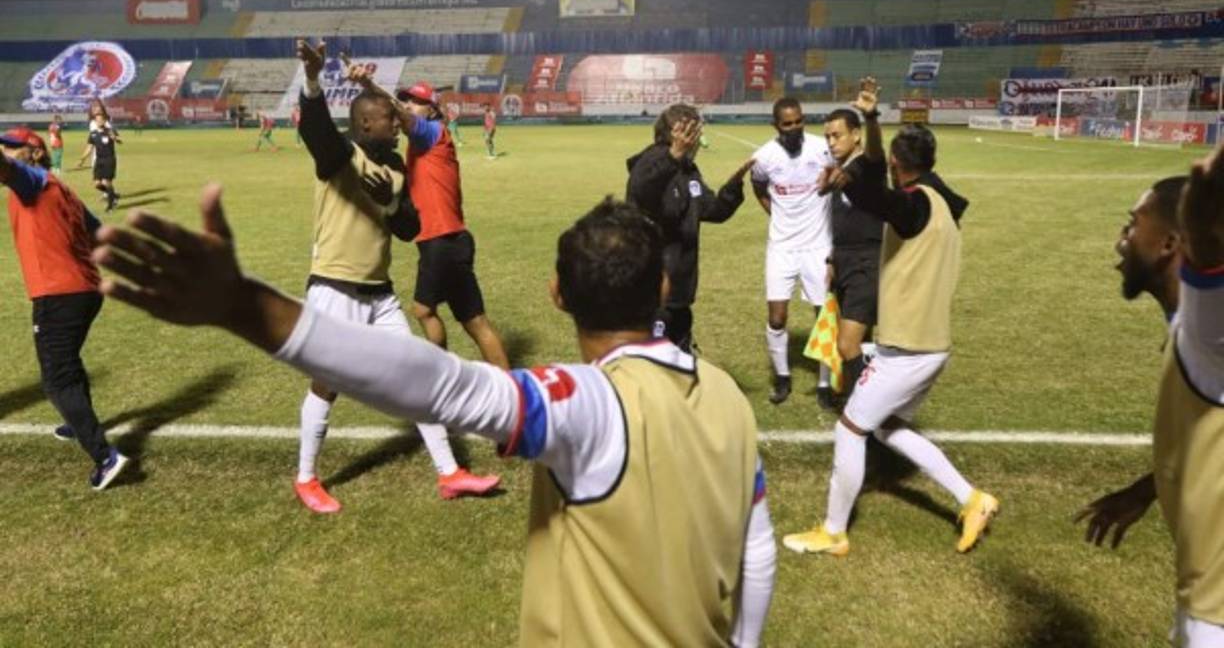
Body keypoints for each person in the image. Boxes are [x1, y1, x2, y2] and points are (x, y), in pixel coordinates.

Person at [92, 191, 776, 647]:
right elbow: (757, 549)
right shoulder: (724, 396)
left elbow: (443, 385)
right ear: (663, 287)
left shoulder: (592, 406)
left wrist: (247, 308)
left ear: (558, 296)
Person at [784, 78, 998, 557]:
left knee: (851, 428)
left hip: (909, 349)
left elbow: (882, 196)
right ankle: (973, 499)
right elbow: (884, 182)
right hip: (932, 344)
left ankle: (834, 532)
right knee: (888, 427)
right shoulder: (944, 202)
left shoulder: (915, 205)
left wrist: (852, 180)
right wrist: (872, 135)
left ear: (898, 166)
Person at [289, 39, 498, 512]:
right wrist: (313, 79)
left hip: (379, 292)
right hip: (334, 286)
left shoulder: (397, 165)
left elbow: (409, 228)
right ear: (367, 123)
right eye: (390, 116)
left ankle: (450, 473)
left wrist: (387, 202)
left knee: (417, 377)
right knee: (327, 383)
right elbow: (316, 130)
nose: (397, 122)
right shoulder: (339, 155)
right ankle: (306, 478)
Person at [1076, 158, 1224, 648]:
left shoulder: (1205, 330)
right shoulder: (1188, 330)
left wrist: (1201, 212)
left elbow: (1210, 264)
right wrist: (1144, 491)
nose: (1121, 239)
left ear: (1169, 245)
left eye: (1132, 224)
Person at [0, 127, 128, 490]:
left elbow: (6, 170)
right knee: (68, 361)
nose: (6, 152)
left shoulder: (31, 181)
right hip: (86, 291)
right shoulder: (62, 189)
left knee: (56, 379)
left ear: (35, 153)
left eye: (13, 147)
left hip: (58, 295)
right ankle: (77, 423)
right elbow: (98, 231)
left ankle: (106, 456)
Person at [395, 80, 512, 371]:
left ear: (432, 108)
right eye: (405, 100)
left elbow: (407, 120)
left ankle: (443, 378)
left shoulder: (431, 133)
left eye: (415, 101)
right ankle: (511, 388)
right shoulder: (428, 137)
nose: (409, 105)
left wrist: (367, 84)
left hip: (441, 240)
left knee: (423, 310)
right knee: (475, 321)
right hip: (451, 239)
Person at [625, 104, 752, 352]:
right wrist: (672, 156)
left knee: (681, 362)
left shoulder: (688, 170)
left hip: (681, 288)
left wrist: (732, 188)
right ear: (678, 133)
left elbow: (712, 210)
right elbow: (641, 192)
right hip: (652, 290)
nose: (698, 141)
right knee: (653, 366)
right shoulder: (649, 162)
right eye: (695, 133)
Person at [749, 97, 835, 406]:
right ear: (776, 125)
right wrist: (777, 215)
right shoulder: (763, 157)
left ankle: (825, 384)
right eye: (787, 123)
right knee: (777, 317)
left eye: (799, 120)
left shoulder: (822, 148)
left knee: (823, 315)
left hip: (818, 245)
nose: (795, 127)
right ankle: (783, 378)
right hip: (782, 247)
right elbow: (758, 187)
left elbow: (839, 178)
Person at [823, 107, 883, 401]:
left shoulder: (868, 166)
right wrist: (832, 259)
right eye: (828, 137)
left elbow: (875, 151)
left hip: (866, 263)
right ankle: (865, 401)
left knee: (847, 345)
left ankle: (859, 410)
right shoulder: (842, 170)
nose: (831, 142)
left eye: (837, 135)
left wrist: (870, 118)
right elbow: (842, 223)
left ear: (856, 135)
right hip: (846, 261)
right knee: (860, 341)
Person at [80, 110, 120, 212]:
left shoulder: (110, 131)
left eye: (101, 120)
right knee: (97, 184)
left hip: (109, 160)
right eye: (97, 120)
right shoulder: (93, 134)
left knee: (107, 182)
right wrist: (82, 159)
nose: (99, 122)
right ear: (95, 122)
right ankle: (113, 195)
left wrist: (114, 138)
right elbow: (89, 148)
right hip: (99, 160)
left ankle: (110, 206)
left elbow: (119, 140)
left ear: (105, 121)